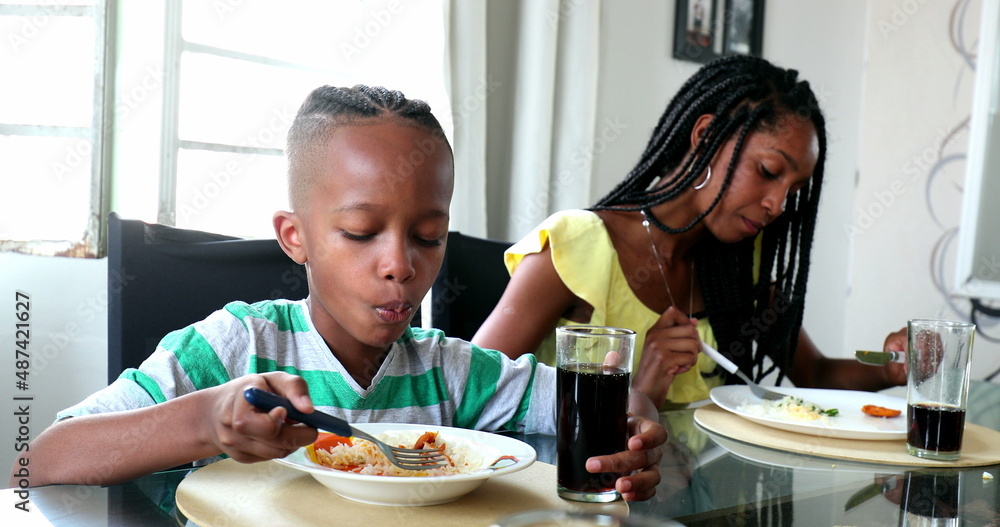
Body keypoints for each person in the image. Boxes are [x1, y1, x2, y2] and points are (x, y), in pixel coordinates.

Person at [14, 85, 667, 501]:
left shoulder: (452, 371)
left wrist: (637, 423)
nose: (400, 265)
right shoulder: (236, 349)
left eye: (429, 235)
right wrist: (204, 419)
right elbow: (41, 459)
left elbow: (598, 402)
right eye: (360, 232)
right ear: (295, 237)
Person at [473, 56, 909, 408]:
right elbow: (471, 393)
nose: (777, 204)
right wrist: (642, 389)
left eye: (793, 189)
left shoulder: (737, 262)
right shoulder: (576, 246)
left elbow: (813, 375)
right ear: (704, 137)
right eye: (768, 171)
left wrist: (891, 370)